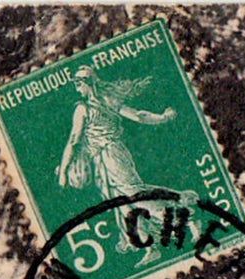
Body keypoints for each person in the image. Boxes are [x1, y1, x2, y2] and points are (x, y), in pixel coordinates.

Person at [55, 65, 176, 255]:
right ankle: (146, 245)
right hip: (101, 160)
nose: (76, 86)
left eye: (79, 82)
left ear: (90, 84)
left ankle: (176, 216)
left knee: (133, 194)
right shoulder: (100, 103)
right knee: (120, 202)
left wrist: (162, 118)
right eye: (75, 82)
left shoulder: (86, 108)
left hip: (112, 155)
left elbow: (137, 116)